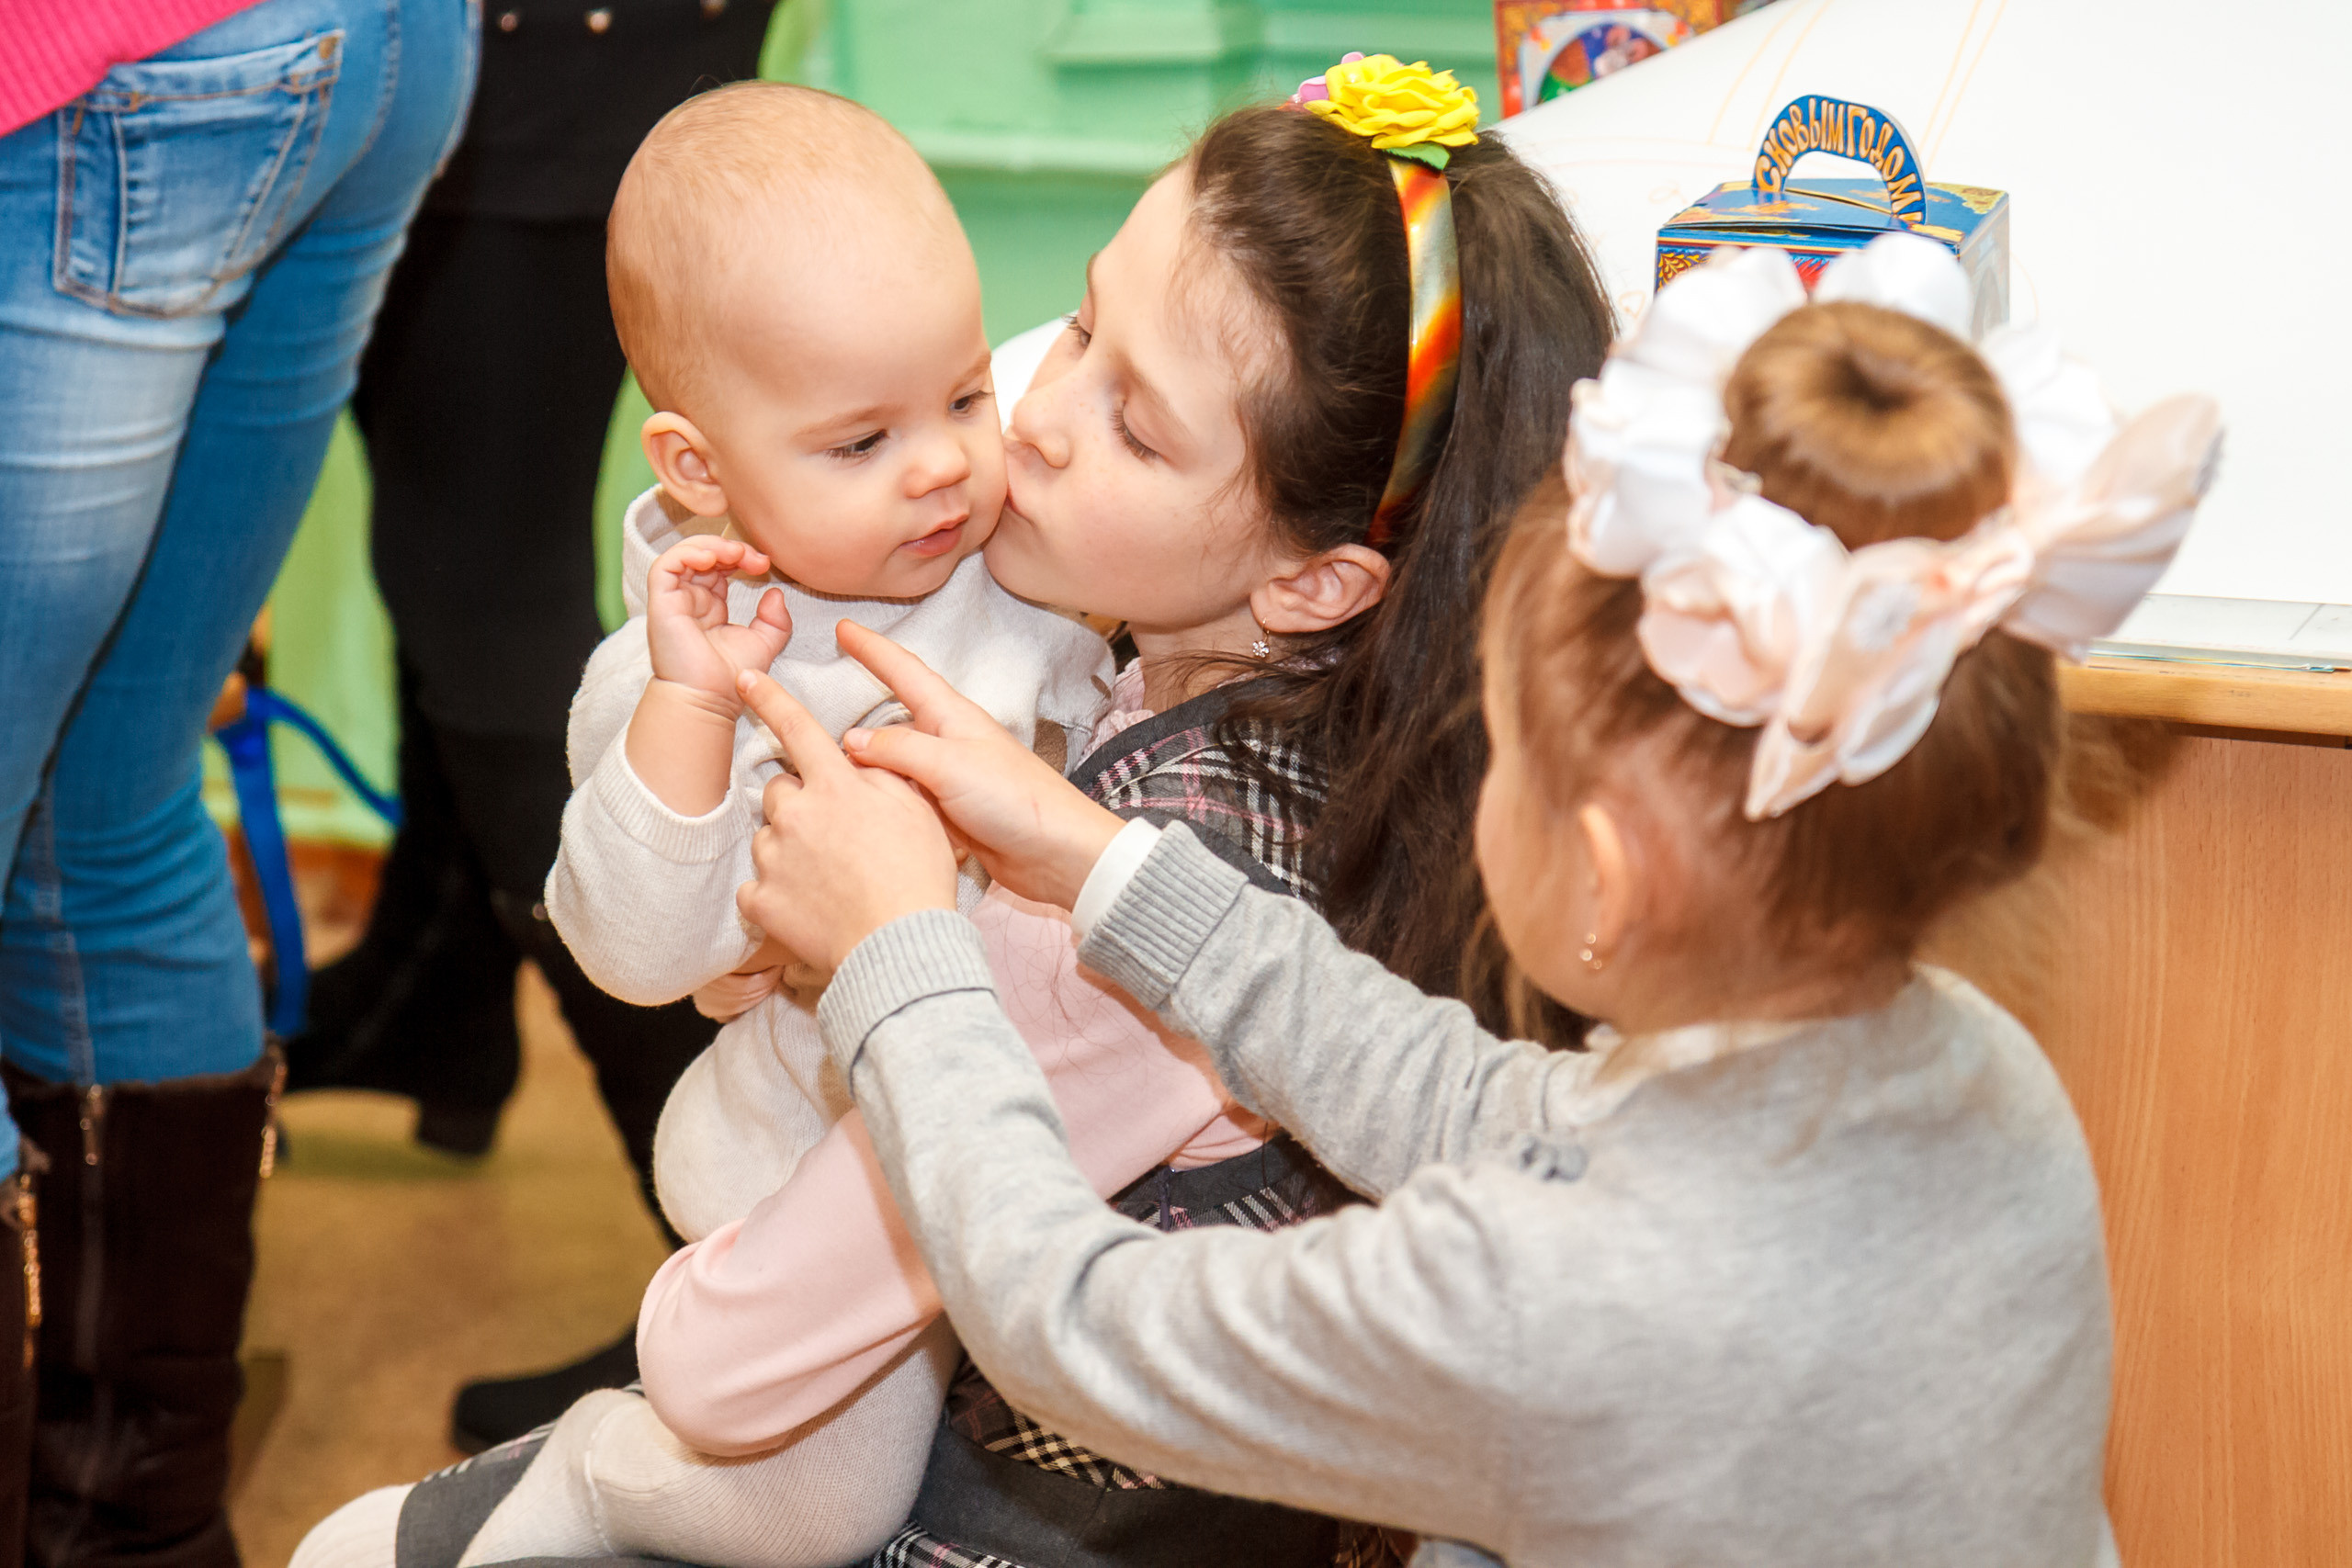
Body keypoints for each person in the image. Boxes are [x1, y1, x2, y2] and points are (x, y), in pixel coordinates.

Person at [725, 232, 2223, 1564]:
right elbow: (1480, 1104)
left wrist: (901, 954)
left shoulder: (1555, 1304)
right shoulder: (1968, 1069)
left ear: (1605, 882)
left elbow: (1073, 1324)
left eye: (1499, 745)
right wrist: (1090, 853)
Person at [295, 54, 1611, 1568]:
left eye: (1129, 419)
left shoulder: (1148, 894)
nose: (1030, 420)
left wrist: (869, 953)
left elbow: (736, 1365)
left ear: (1312, 581)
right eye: (1079, 328)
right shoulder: (1330, 665)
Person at [0, 5, 473, 1564]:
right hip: (364, 53)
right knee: (108, 811)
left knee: (104, 814)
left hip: (98, 81)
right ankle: (132, 1535)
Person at [283, 0, 777, 1451]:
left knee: (481, 587)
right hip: (450, 65)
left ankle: (746, 1271)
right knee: (442, 552)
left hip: (546, 60)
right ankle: (428, 1008)